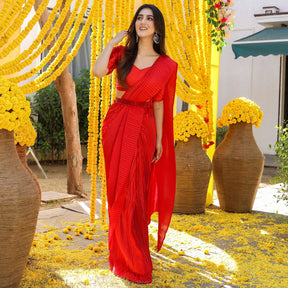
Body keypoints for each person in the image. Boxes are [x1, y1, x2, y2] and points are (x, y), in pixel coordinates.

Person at [93, 4, 177, 284]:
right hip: (117, 124)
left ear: (156, 26)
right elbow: (96, 71)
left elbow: (160, 103)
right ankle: (119, 251)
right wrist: (112, 42)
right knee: (118, 189)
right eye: (139, 18)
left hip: (143, 128)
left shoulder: (164, 65)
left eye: (149, 18)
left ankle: (137, 256)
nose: (143, 22)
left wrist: (160, 140)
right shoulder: (122, 54)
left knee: (136, 190)